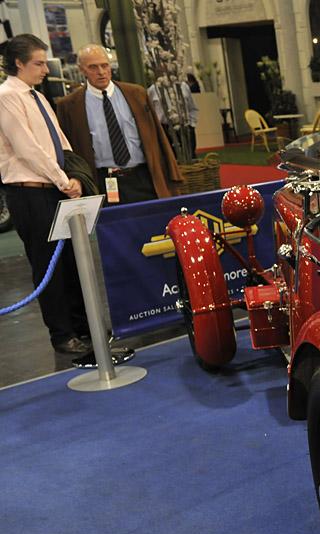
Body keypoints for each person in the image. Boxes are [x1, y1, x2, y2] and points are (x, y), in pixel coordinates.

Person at [0, 34, 89, 354]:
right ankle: (62, 335)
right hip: (29, 193)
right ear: (19, 63)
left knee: (70, 261)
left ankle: (83, 325)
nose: (45, 70)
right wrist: (64, 179)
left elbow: (59, 141)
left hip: (54, 188)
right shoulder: (7, 96)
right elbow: (27, 150)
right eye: (38, 63)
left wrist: (75, 176)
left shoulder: (36, 97)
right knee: (47, 265)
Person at [57, 44, 182, 205]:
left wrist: (172, 174)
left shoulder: (137, 94)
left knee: (154, 226)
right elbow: (67, 150)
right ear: (82, 70)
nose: (101, 72)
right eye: (93, 67)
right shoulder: (69, 106)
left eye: (104, 65)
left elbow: (158, 137)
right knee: (111, 228)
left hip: (143, 177)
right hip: (102, 182)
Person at [147, 79, 199, 157]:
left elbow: (193, 108)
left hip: (185, 128)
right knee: (169, 159)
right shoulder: (153, 89)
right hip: (164, 130)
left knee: (190, 157)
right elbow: (149, 111)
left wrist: (192, 125)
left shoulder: (183, 86)